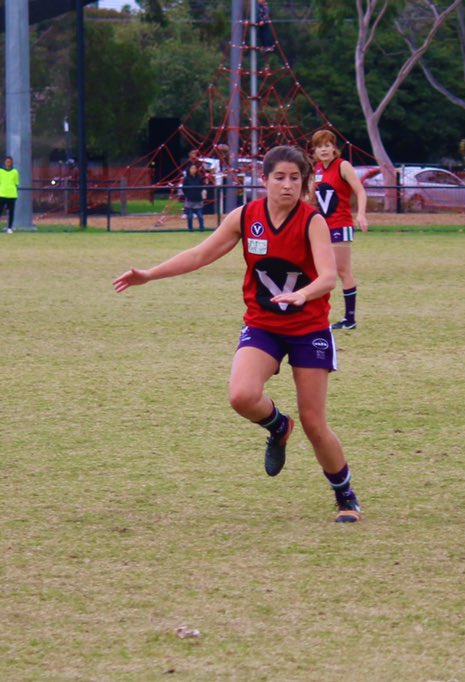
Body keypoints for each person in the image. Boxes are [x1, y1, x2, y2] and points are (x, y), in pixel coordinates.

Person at [113, 145, 362, 524]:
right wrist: (149, 274)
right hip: (264, 324)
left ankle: (345, 495)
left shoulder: (312, 221)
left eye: (295, 178)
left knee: (314, 422)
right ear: (263, 180)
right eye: (279, 177)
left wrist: (303, 294)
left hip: (308, 327)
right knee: (241, 396)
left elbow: (328, 275)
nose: (287, 185)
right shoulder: (246, 217)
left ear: (304, 182)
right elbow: (199, 254)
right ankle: (279, 426)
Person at [310, 129, 368, 330]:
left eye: (327, 145)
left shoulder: (342, 166)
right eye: (320, 146)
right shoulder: (317, 169)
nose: (324, 150)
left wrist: (360, 214)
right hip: (322, 227)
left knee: (342, 271)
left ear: (334, 148)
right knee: (317, 269)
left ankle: (349, 319)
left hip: (341, 225)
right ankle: (314, 315)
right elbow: (310, 197)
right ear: (315, 150)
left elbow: (360, 191)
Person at [180, 162, 208, 232]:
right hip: (190, 199)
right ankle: (190, 229)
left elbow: (202, 186)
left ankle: (202, 228)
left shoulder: (199, 178)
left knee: (200, 215)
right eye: (192, 168)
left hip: (198, 199)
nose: (193, 170)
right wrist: (188, 195)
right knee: (190, 216)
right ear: (189, 169)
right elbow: (184, 189)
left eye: (195, 168)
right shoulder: (186, 179)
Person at [0, 156, 19, 233]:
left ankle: (9, 228)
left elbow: (16, 183)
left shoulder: (15, 172)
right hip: (2, 194)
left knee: (11, 212)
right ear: (4, 162)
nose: (8, 163)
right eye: (7, 161)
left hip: (11, 195)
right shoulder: (1, 171)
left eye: (9, 162)